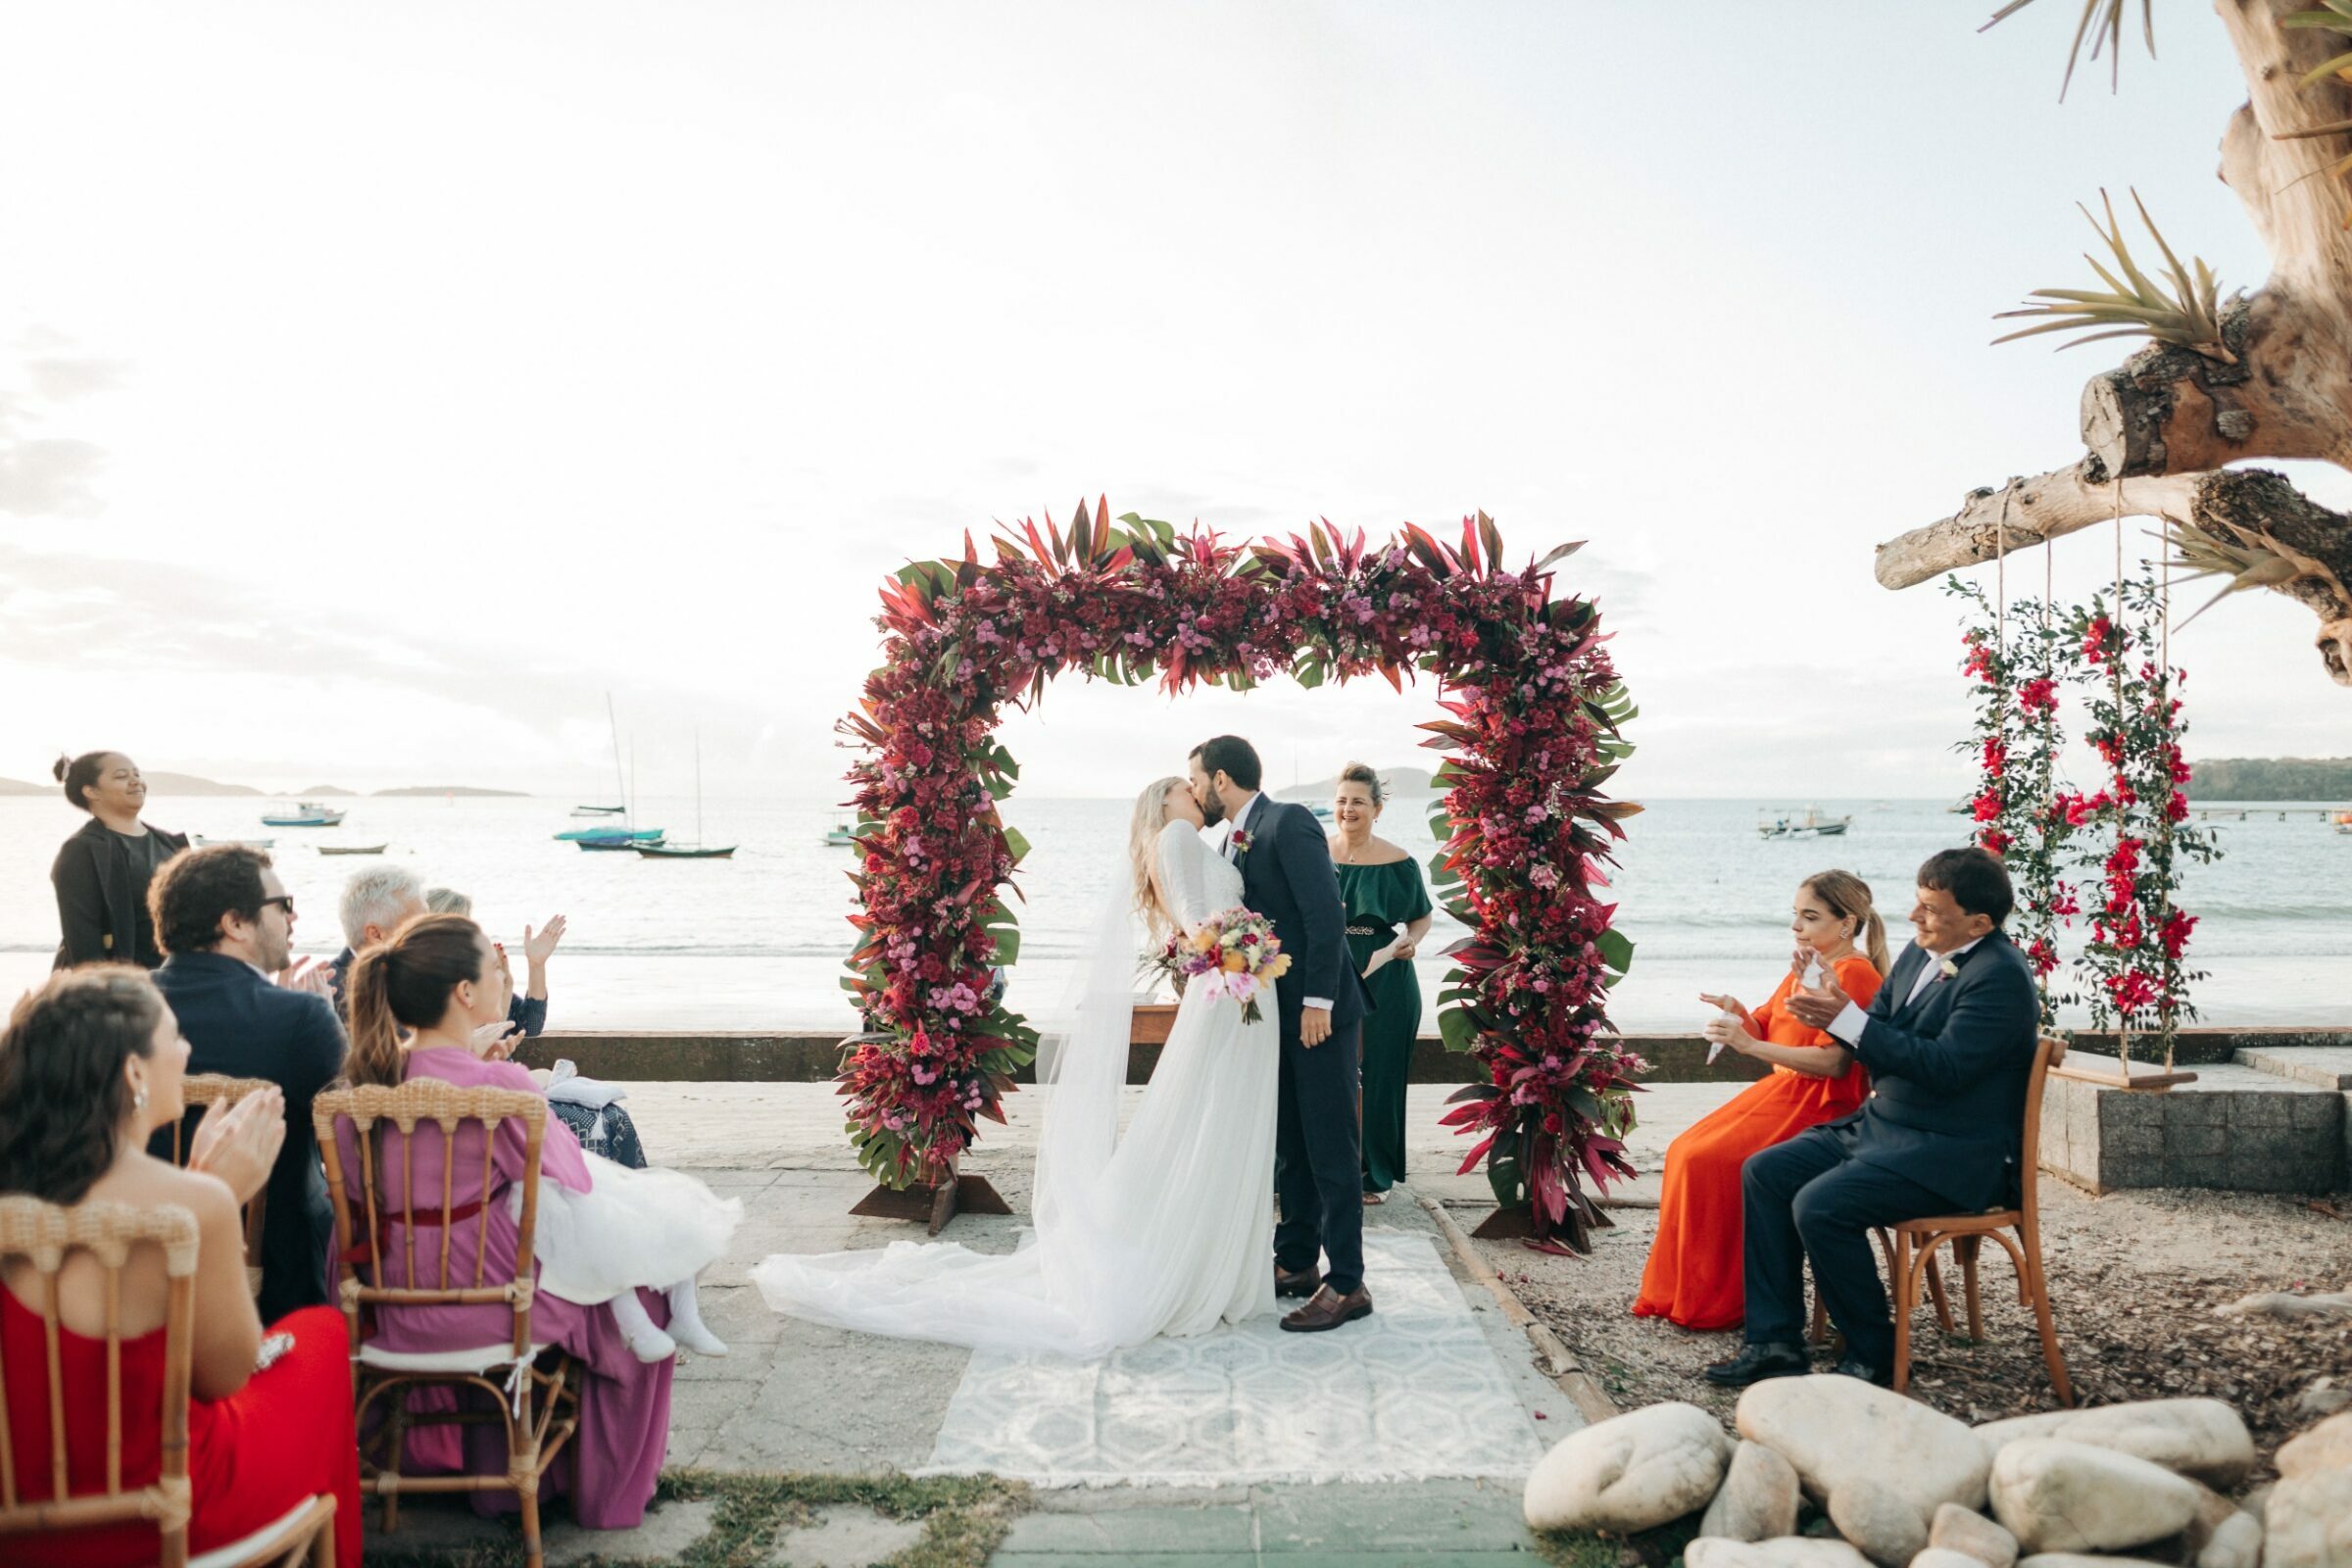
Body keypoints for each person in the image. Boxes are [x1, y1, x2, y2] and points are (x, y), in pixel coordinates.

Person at [750, 773, 1286, 1353]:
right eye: (1184, 785)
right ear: (1164, 802)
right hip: (1234, 987)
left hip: (1236, 986)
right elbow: (1194, 922)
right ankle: (1202, 1262)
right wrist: (1242, 945)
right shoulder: (1177, 837)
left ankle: (1209, 1251)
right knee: (1213, 1120)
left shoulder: (1187, 841)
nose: (1193, 791)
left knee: (1212, 1121)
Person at [332, 912, 707, 1529]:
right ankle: (609, 1495)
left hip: (385, 1311)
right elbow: (576, 1179)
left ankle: (495, 1484)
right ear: (465, 994)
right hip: (495, 1311)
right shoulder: (501, 1089)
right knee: (644, 1299)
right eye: (491, 967)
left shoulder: (358, 1093)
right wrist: (491, 1071)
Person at [0, 967, 362, 1568]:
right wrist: (218, 1198)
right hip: (169, 1511)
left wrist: (198, 1189)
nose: (188, 1050)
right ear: (134, 1072)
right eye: (175, 1037)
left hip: (25, 1509)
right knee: (322, 1338)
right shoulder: (195, 1208)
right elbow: (224, 1377)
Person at [1705, 849, 2039, 1390]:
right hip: (1884, 1129)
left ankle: (1873, 1352)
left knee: (1821, 1205)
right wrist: (1837, 1009)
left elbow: (1947, 1069)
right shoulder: (1917, 953)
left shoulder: (2000, 976)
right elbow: (1874, 1034)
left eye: (1931, 909)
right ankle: (1774, 1343)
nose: (1914, 916)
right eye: (1918, 902)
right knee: (1764, 1171)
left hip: (1949, 1152)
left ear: (1978, 922)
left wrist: (1853, 1024)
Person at [1633, 871, 1887, 1331]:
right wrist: (1739, 1015)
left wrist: (1749, 1047)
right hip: (1782, 1093)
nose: (1796, 926)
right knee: (1684, 1151)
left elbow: (1835, 1064)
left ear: (1846, 924)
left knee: (1710, 1159)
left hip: (1822, 1104)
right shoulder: (1808, 967)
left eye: (1810, 917)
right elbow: (1770, 1028)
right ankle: (1683, 1291)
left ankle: (1723, 1300)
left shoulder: (1855, 973)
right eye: (1795, 915)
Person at [1192, 736, 1372, 1332]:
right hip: (1278, 1018)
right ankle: (1296, 1262)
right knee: (1292, 1143)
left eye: (1196, 780)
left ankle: (1348, 1283)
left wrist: (1319, 1000)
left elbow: (1326, 915)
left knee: (1330, 1145)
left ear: (1221, 780)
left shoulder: (1286, 820)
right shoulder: (1235, 836)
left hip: (1318, 1013)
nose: (1194, 791)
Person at [146, 845, 347, 1323]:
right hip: (274, 1287)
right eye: (283, 904)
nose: (293, 917)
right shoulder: (299, 1018)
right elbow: (354, 1125)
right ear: (235, 923)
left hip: (135, 1267)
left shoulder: (112, 1008)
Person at [1327, 762, 1433, 1205]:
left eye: (1358, 802)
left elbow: (1421, 916)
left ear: (1377, 809)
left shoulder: (1400, 861)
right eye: (1342, 801)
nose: (1348, 809)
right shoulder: (1317, 852)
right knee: (1328, 1073)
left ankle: (1376, 1174)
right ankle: (1328, 1165)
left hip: (1387, 975)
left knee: (1382, 1076)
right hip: (1329, 972)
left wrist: (1409, 940)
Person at [48, 750, 188, 969]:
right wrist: (109, 995)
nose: (136, 782)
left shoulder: (170, 844)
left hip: (174, 979)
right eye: (122, 776)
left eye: (137, 774)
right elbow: (83, 941)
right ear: (92, 791)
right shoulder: (81, 851)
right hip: (122, 987)